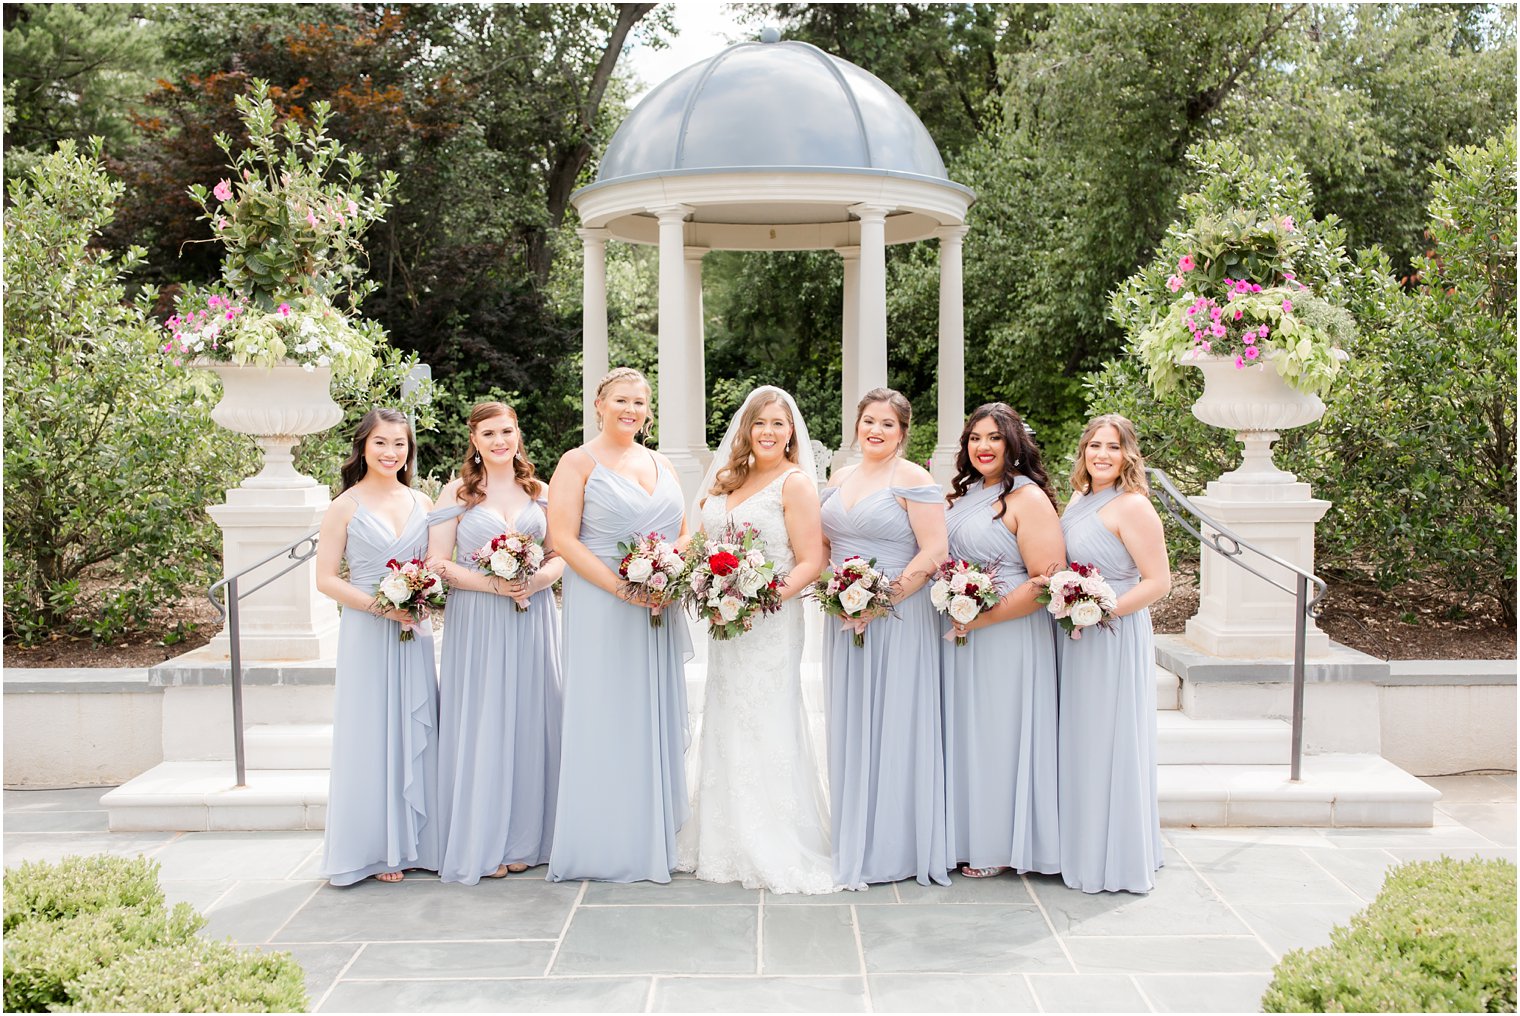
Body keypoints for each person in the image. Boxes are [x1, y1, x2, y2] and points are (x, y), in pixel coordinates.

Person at [676, 386, 836, 894]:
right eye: (760, 422)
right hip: (727, 623)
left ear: (792, 433)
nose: (768, 432)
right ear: (746, 428)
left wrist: (759, 601)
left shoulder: (795, 485)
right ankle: (722, 839)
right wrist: (660, 565)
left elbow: (811, 560)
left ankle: (772, 837)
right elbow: (699, 540)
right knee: (726, 714)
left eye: (779, 424)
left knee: (766, 715)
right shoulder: (728, 479)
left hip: (770, 620)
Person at [545, 367, 692, 883]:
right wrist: (622, 587)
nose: (631, 409)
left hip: (655, 602)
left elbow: (683, 531)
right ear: (599, 405)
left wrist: (667, 572)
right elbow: (563, 538)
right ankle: (604, 837)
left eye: (640, 402)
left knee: (648, 709)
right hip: (602, 601)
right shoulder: (576, 462)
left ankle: (653, 828)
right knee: (605, 709)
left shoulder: (662, 462)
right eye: (621, 400)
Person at [427, 401, 565, 884]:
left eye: (506, 431)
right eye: (488, 433)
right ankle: (486, 836)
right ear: (475, 440)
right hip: (480, 620)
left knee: (530, 718)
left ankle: (528, 838)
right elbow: (438, 562)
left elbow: (559, 552)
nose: (499, 441)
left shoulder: (541, 490)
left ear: (518, 434)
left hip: (533, 617)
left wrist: (538, 580)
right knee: (486, 719)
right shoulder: (458, 493)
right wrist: (495, 585)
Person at [818, 388, 951, 888]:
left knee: (896, 718)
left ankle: (894, 845)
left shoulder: (913, 477)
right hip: (842, 614)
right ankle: (855, 834)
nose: (875, 430)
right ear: (857, 424)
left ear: (902, 431)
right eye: (868, 421)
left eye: (887, 424)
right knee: (852, 720)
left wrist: (882, 599)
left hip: (898, 615)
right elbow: (826, 544)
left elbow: (935, 547)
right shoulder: (839, 477)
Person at [315, 408, 440, 885]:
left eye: (400, 444)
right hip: (368, 630)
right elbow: (326, 579)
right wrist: (378, 607)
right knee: (370, 730)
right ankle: (374, 846)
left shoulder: (423, 502)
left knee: (416, 721)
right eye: (381, 443)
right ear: (363, 447)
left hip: (414, 626)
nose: (391, 453)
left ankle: (416, 841)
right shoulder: (344, 505)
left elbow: (435, 564)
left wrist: (421, 594)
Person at [941, 403, 1065, 880]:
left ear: (1013, 443)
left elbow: (1045, 580)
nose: (983, 447)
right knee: (969, 734)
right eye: (975, 437)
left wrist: (983, 617)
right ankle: (965, 835)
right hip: (964, 632)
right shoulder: (969, 493)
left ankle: (998, 844)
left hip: (1009, 635)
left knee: (1000, 734)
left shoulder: (1028, 499)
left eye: (994, 437)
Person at [1056, 413, 1170, 893]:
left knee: (1109, 738)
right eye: (1094, 446)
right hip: (1074, 635)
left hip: (1112, 634)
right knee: (1080, 739)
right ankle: (1078, 843)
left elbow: (1158, 583)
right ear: (1083, 452)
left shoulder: (1134, 506)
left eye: (1112, 446)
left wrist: (1102, 612)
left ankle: (1114, 856)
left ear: (1128, 455)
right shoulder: (1080, 500)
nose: (1101, 454)